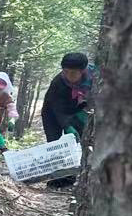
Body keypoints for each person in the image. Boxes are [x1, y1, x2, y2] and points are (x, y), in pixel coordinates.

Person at [40, 52, 95, 189]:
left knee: (80, 142)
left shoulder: (95, 78)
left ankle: (73, 178)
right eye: (66, 71)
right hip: (52, 113)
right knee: (55, 145)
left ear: (82, 71)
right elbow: (57, 108)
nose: (69, 76)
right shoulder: (58, 82)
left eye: (73, 72)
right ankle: (57, 180)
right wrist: (66, 126)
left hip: (78, 112)